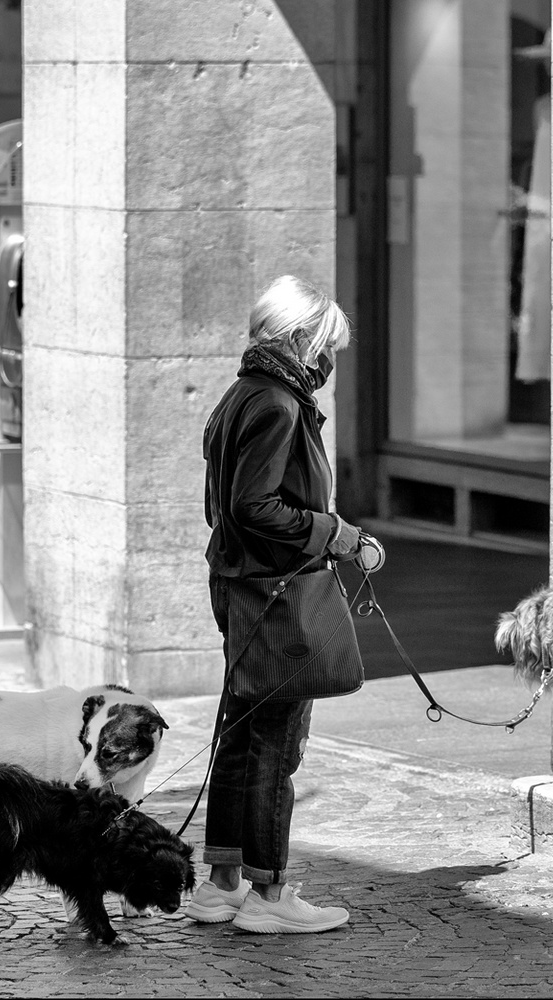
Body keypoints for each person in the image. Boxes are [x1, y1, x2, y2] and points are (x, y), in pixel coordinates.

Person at [186, 275, 362, 935]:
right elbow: (250, 506)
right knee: (273, 745)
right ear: (298, 339)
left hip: (243, 585)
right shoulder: (277, 404)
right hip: (273, 591)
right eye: (327, 347)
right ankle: (269, 894)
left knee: (242, 734)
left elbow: (223, 506)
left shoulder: (242, 394)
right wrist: (333, 533)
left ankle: (221, 884)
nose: (330, 362)